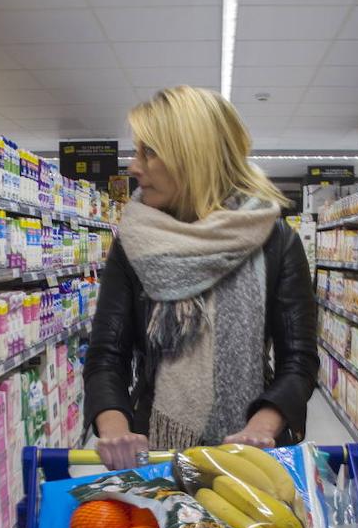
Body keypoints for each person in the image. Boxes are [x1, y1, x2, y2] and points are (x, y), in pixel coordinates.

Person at [84, 85, 318, 470]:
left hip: (254, 449)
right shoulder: (135, 244)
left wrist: (262, 425)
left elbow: (299, 359)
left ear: (193, 158)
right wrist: (114, 426)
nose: (133, 166)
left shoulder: (276, 242)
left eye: (149, 152)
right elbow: (107, 354)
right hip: (156, 445)